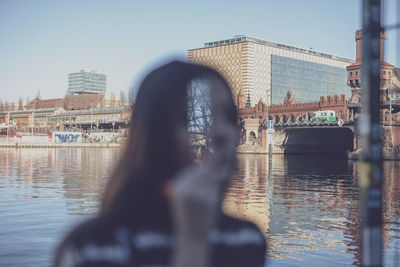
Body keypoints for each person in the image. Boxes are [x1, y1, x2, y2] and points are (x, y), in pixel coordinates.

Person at [54, 61, 266, 267]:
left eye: (228, 116)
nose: (220, 131)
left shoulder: (246, 239)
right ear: (152, 134)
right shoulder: (94, 248)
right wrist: (193, 243)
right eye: (187, 120)